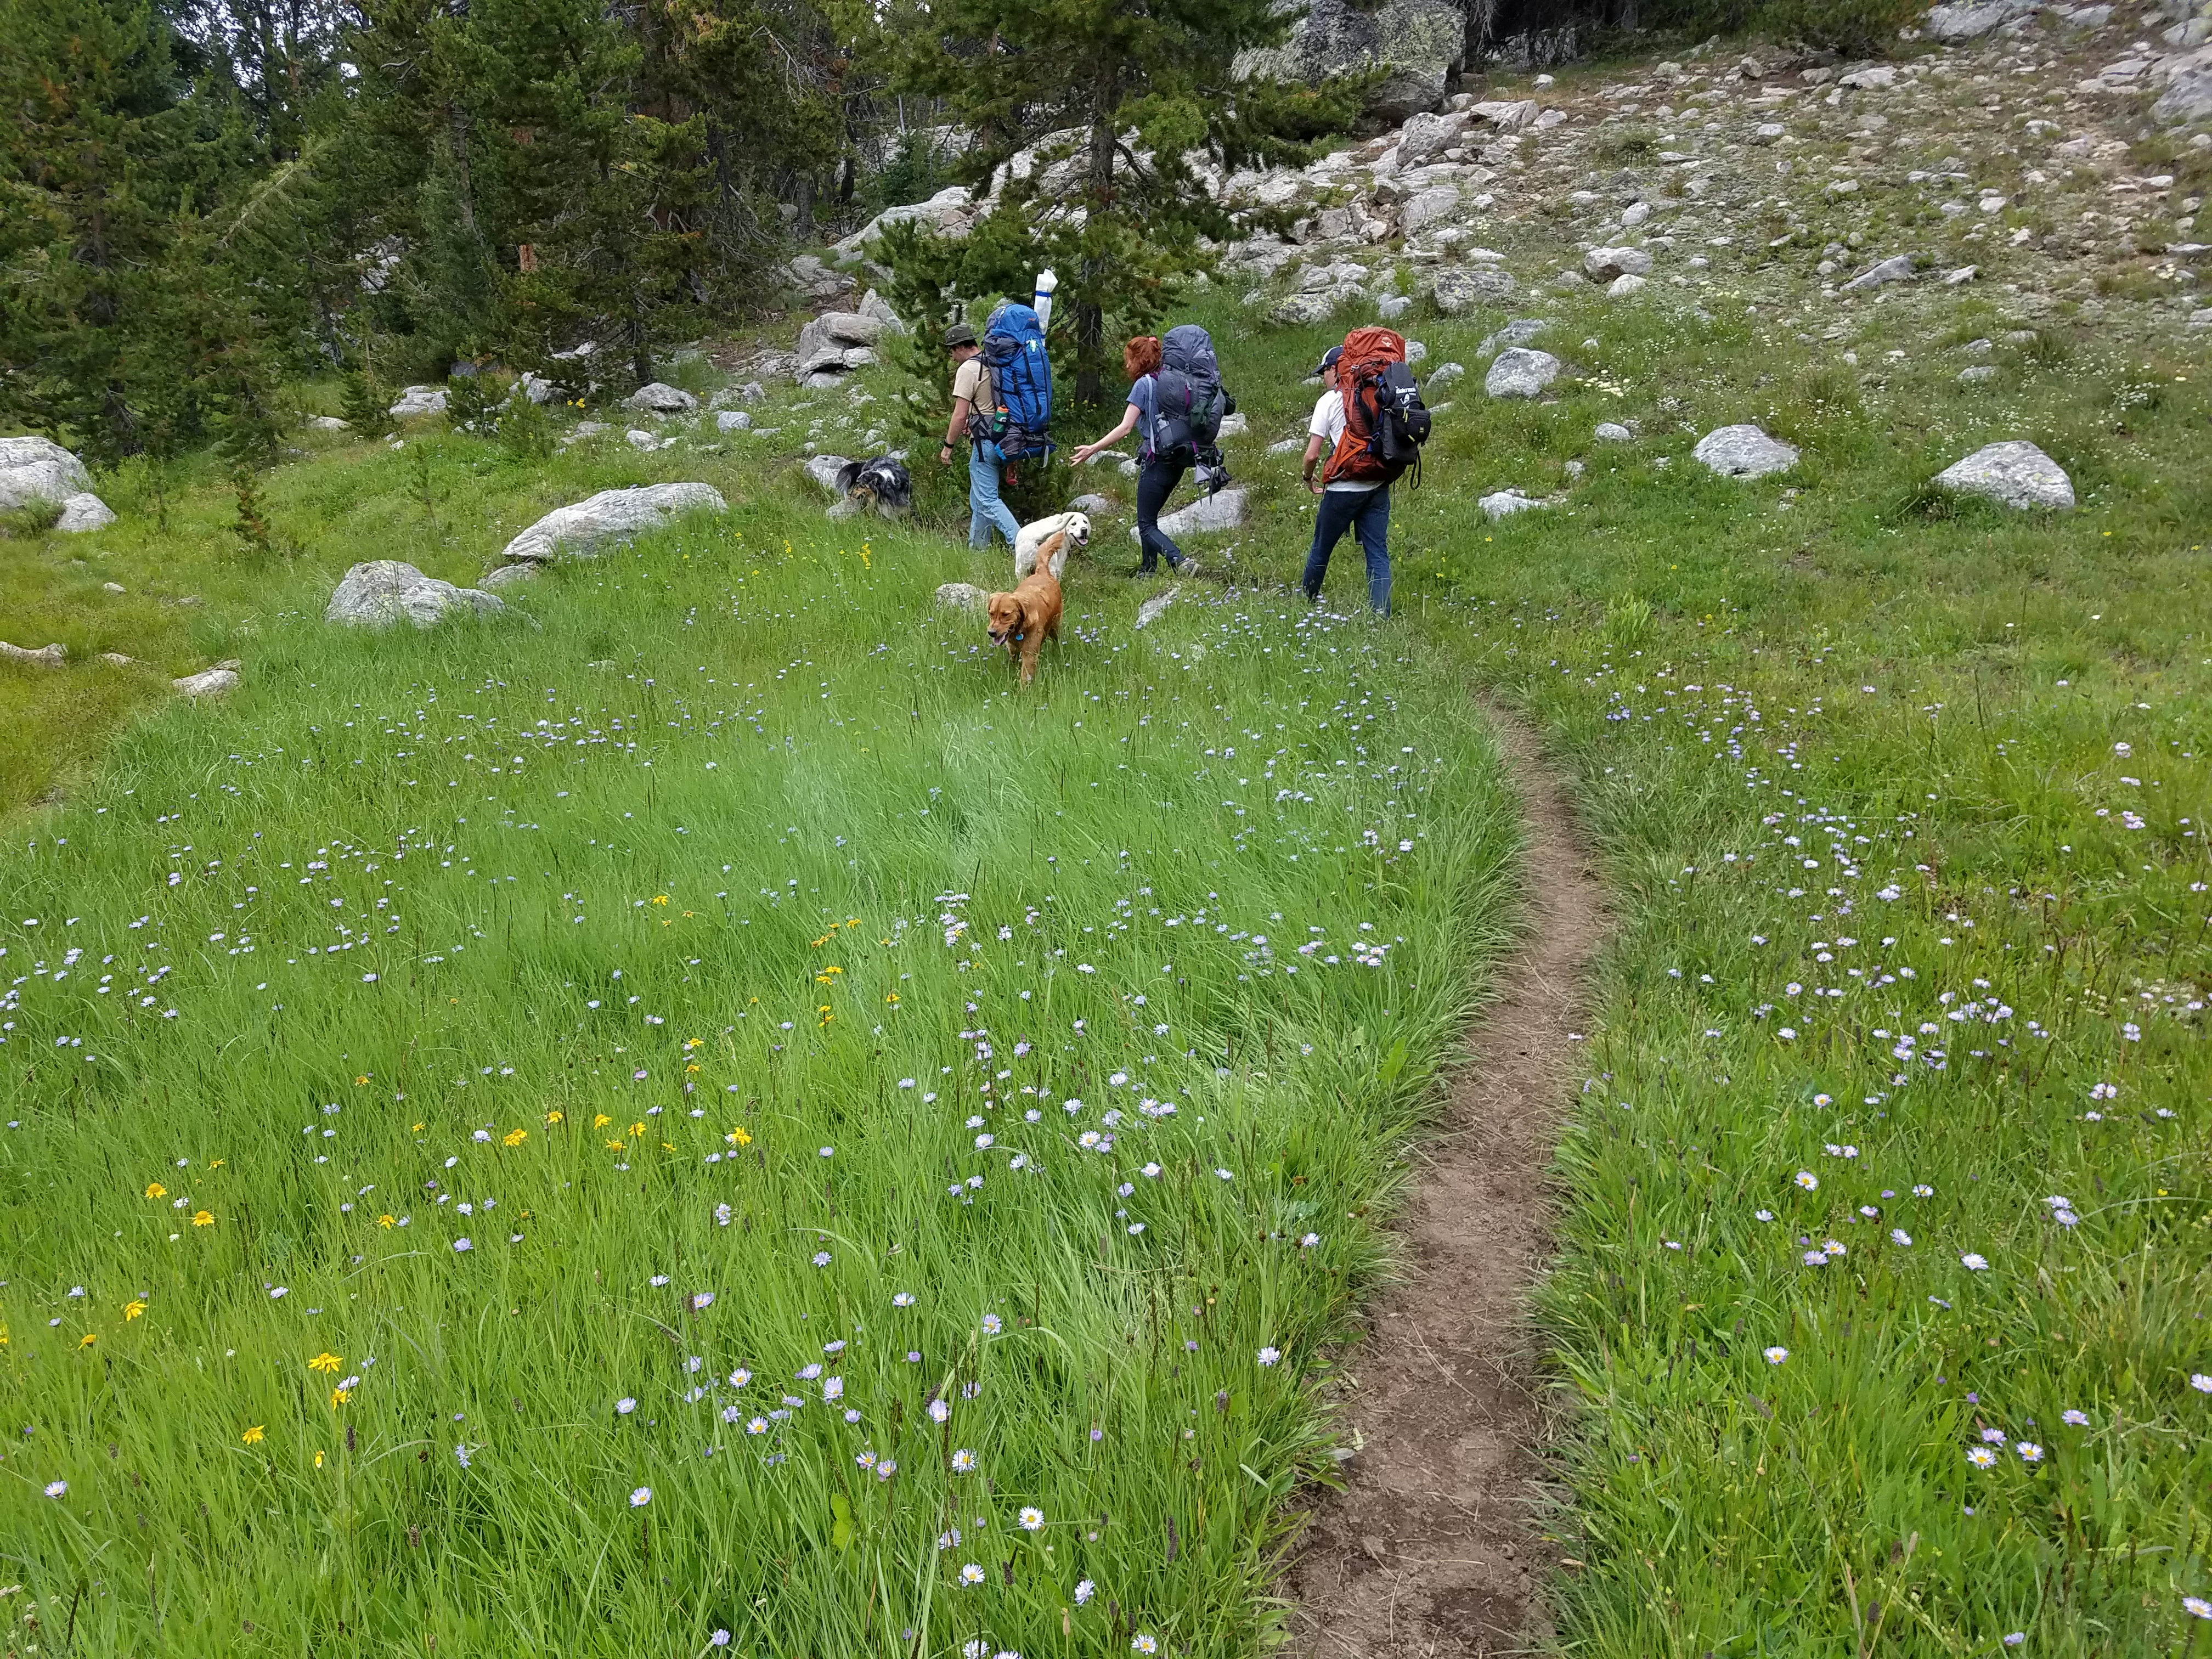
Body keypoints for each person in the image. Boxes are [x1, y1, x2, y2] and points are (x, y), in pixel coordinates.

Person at [1069, 336, 1191, 576]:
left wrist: (1093, 448)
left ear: (1140, 360)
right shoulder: (1172, 379)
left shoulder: (1143, 385)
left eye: (1129, 360)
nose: (1126, 365)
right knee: (1149, 518)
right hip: (1178, 459)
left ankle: (1180, 561)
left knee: (1145, 525)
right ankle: (1148, 570)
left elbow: (1125, 427)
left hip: (1157, 461)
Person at [1299, 345, 1391, 615]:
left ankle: (1306, 605)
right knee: (1377, 554)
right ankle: (1381, 617)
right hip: (1377, 482)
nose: (1323, 379)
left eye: (1324, 373)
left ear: (1334, 370)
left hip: (1343, 486)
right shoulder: (1378, 393)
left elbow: (1312, 454)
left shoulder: (1328, 401)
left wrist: (1307, 477)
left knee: (1321, 549)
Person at [938, 321, 1021, 551]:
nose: (952, 357)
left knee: (988, 500)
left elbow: (959, 414)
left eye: (951, 351)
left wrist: (948, 446)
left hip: (986, 443)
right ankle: (977, 552)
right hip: (1008, 437)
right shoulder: (995, 362)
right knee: (979, 501)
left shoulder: (968, 369)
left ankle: (1022, 543)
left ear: (958, 347)